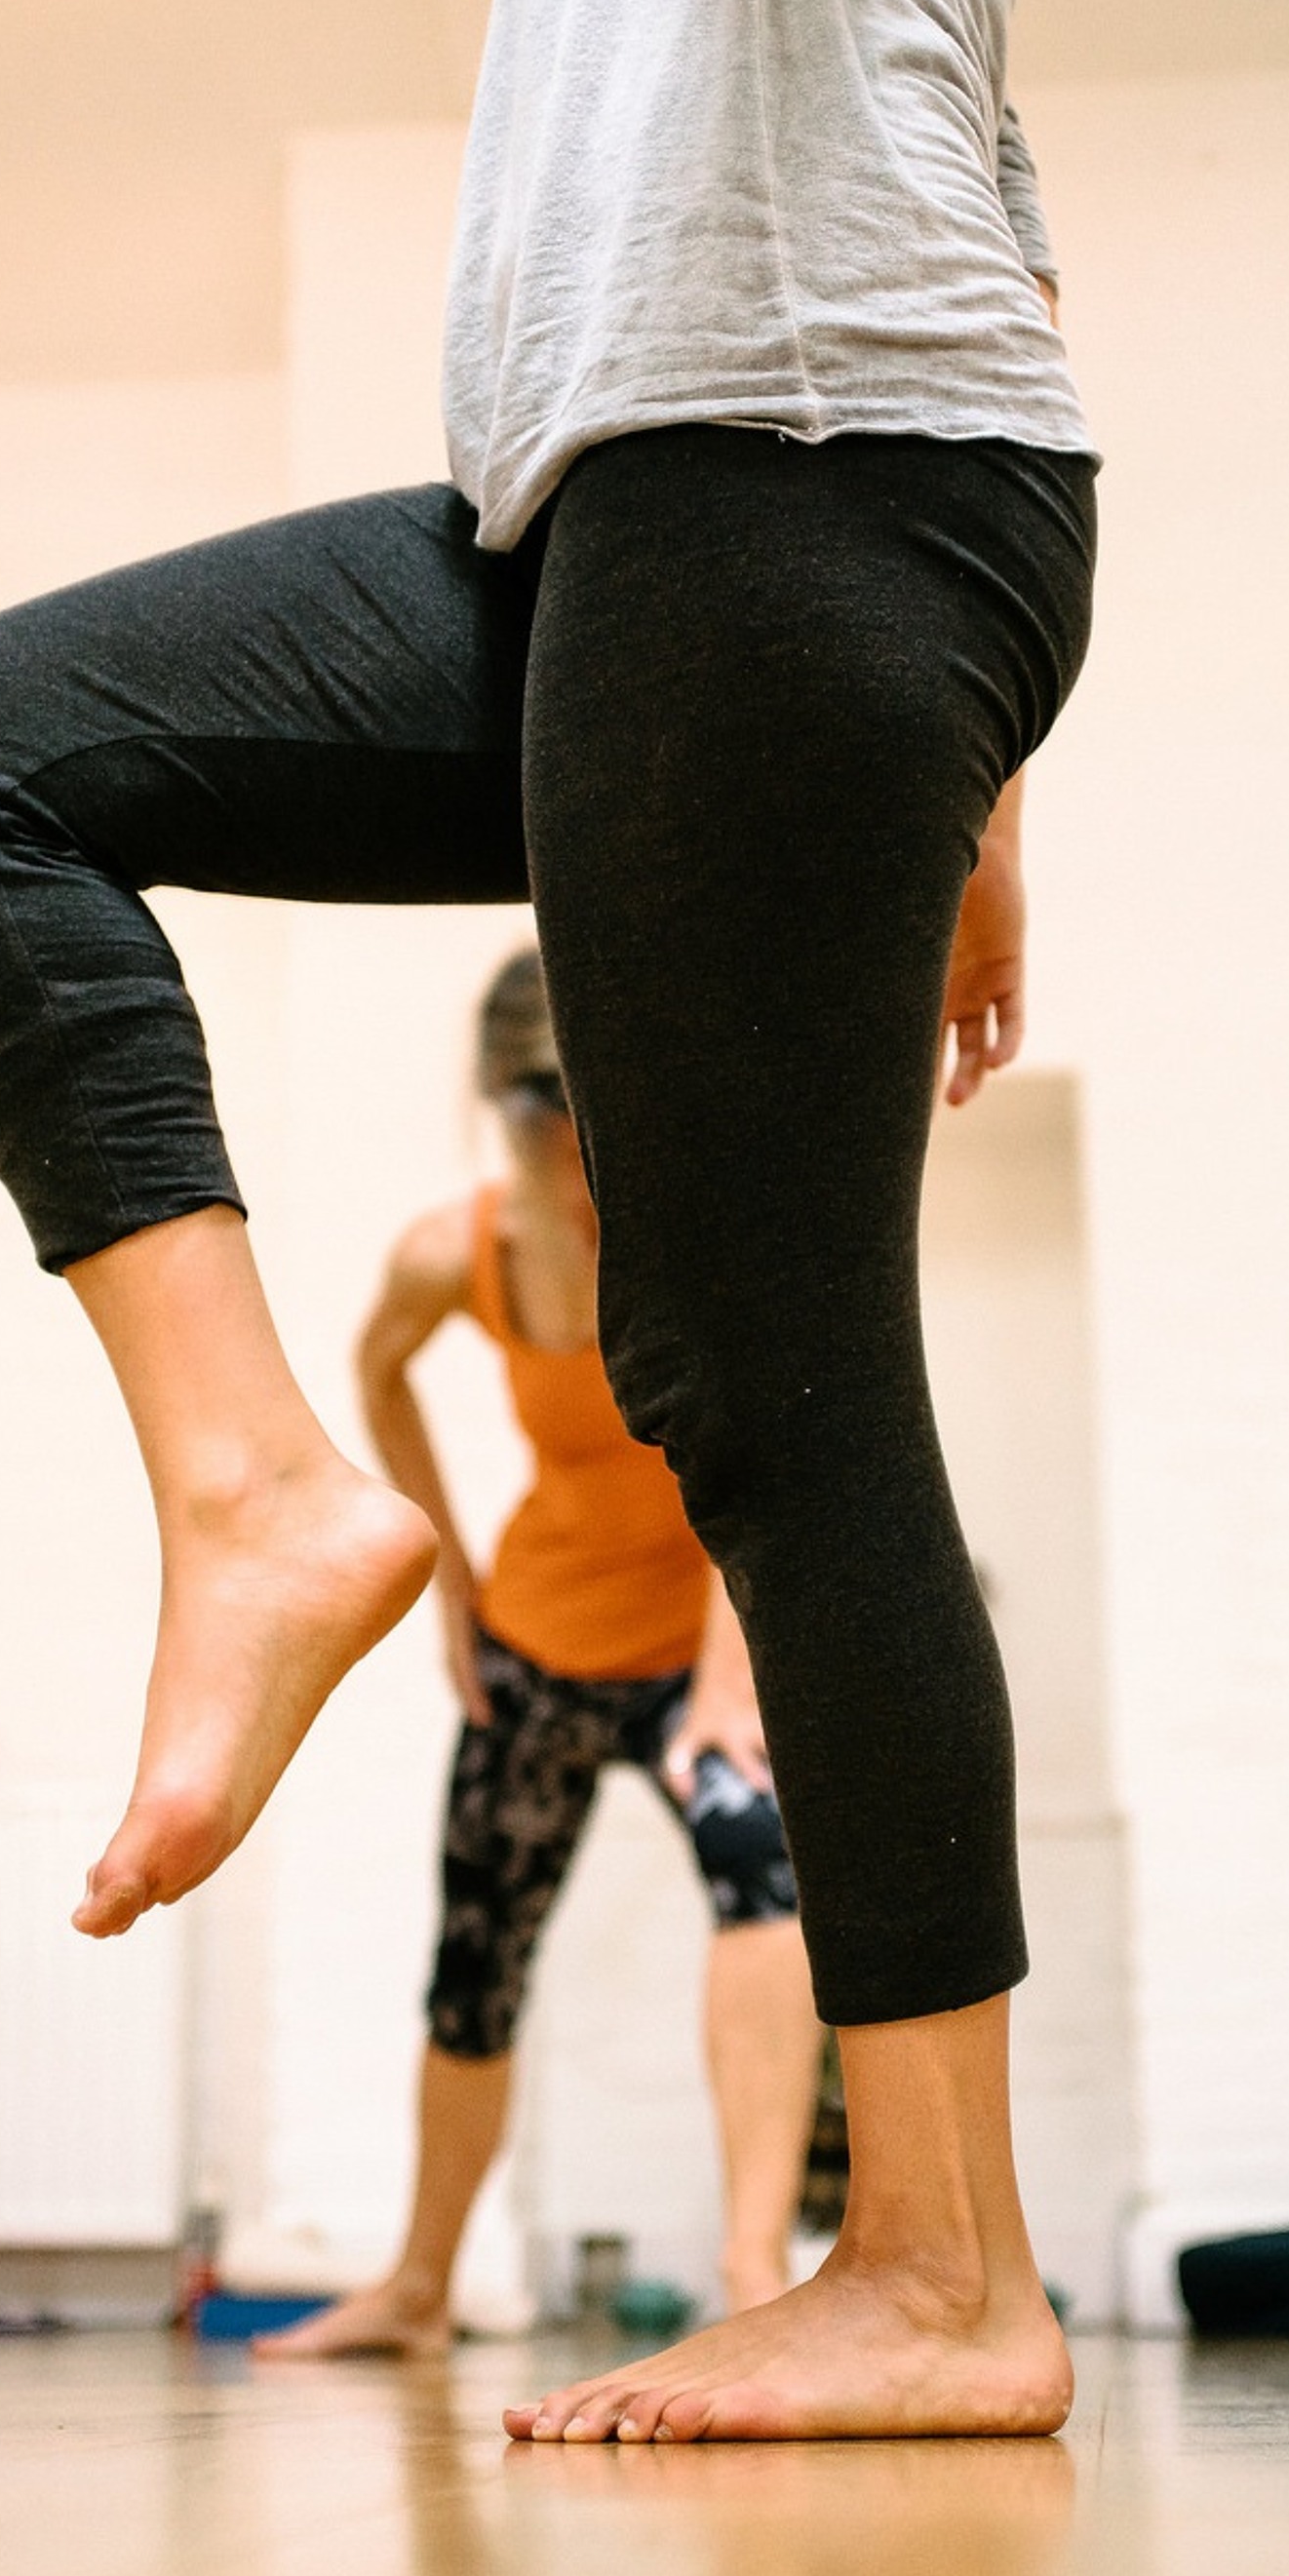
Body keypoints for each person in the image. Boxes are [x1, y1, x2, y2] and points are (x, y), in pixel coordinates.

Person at [0, 0, 1096, 2439]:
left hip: (795, 467)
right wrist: (990, 796)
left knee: (769, 1382)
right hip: (627, 508)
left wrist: (980, 767)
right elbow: (988, 158)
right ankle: (261, 1496)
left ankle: (950, 2278)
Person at [260, 953, 821, 2357]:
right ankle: (417, 2288)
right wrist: (443, 1584)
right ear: (509, 1118)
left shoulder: (697, 1224)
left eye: (595, 1124)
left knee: (765, 1877)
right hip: (538, 1647)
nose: (579, 1161)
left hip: (697, 1648)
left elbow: (761, 1454)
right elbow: (376, 1369)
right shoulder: (458, 1253)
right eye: (551, 1131)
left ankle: (754, 2272)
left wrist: (728, 1673)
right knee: (476, 1961)